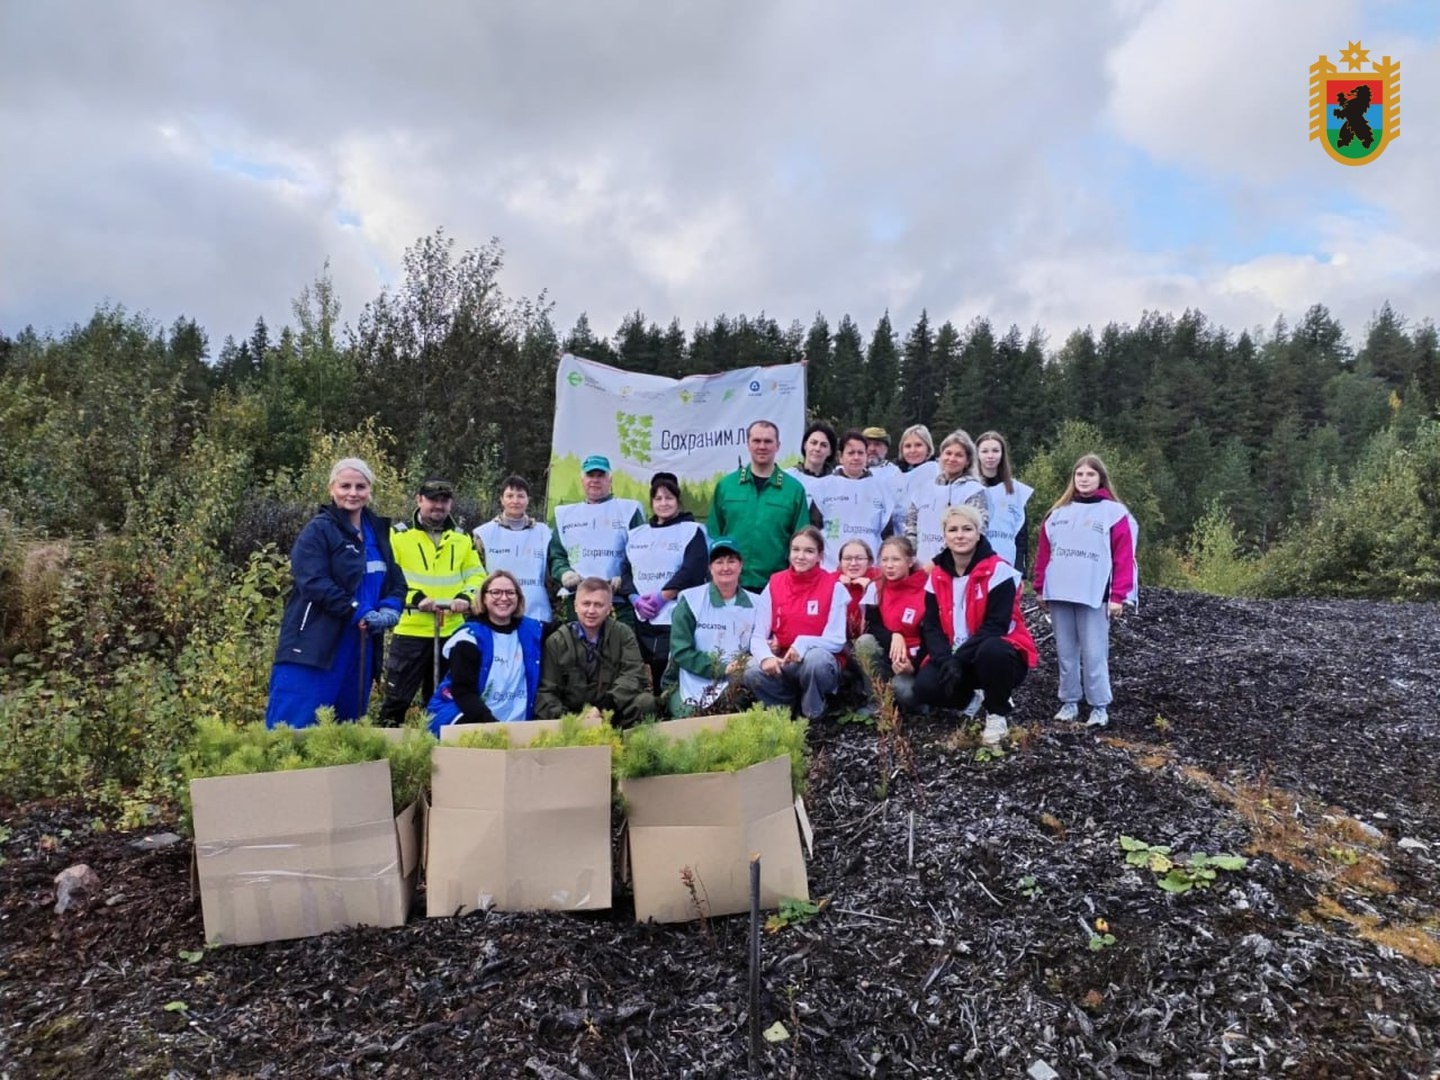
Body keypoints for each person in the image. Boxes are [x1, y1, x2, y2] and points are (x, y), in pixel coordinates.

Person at [265, 458, 406, 729]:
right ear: (332, 489)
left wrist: (391, 606)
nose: (353, 493)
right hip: (316, 644)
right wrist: (358, 610)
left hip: (361, 644)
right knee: (294, 728)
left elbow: (396, 579)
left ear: (370, 490)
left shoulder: (377, 532)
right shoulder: (318, 530)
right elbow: (314, 582)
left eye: (360, 486)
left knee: (346, 731)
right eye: (345, 486)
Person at [914, 505, 1037, 747]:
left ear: (979, 533)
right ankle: (972, 700)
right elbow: (932, 627)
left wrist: (959, 659)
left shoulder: (1000, 571)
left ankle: (997, 713)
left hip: (997, 655)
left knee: (993, 649)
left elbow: (996, 626)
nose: (960, 535)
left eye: (967, 529)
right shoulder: (936, 576)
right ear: (944, 536)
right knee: (924, 687)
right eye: (953, 530)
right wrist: (945, 660)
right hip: (956, 654)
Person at [1032, 454, 1137, 730]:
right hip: (1060, 593)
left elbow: (1123, 557)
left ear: (1101, 478)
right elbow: (1044, 554)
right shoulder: (1057, 514)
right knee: (1065, 652)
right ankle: (1069, 701)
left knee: (1094, 653)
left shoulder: (1114, 513)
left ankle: (1099, 705)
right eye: (1079, 474)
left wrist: (1118, 595)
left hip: (1094, 593)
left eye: (1090, 474)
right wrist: (1040, 587)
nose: (1084, 479)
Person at [378, 476, 485, 724]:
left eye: (444, 500)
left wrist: (465, 597)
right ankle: (388, 743)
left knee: (444, 700)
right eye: (432, 500)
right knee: (396, 700)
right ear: (419, 500)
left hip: (451, 630)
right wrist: (415, 597)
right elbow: (388, 576)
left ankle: (437, 743)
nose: (438, 505)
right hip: (411, 630)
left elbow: (477, 575)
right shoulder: (398, 536)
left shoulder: (462, 538)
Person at [743, 526, 849, 720]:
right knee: (751, 669)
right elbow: (758, 637)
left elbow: (837, 640)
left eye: (809, 551)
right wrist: (766, 658)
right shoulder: (775, 583)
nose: (800, 556)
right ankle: (785, 712)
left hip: (818, 663)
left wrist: (803, 643)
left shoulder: (834, 587)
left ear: (820, 556)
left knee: (816, 660)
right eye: (796, 550)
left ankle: (813, 713)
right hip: (783, 661)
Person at [619, 472, 710, 690]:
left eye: (669, 498)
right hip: (641, 615)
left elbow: (692, 570)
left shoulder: (693, 531)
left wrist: (662, 597)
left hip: (675, 613)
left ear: (678, 501)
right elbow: (625, 570)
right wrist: (634, 599)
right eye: (658, 498)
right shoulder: (636, 534)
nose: (663, 503)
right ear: (651, 502)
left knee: (669, 668)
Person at [425, 571, 545, 734]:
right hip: (468, 713)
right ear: (483, 598)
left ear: (519, 598)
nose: (504, 598)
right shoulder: (467, 639)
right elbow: (463, 692)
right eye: (496, 592)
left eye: (510, 593)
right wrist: (493, 728)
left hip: (517, 722)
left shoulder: (533, 630)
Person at [535, 577, 657, 725]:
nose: (591, 611)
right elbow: (547, 691)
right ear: (575, 606)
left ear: (609, 608)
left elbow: (633, 676)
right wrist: (570, 722)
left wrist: (602, 708)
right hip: (571, 717)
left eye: (598, 605)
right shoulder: (557, 641)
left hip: (611, 710)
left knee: (645, 702)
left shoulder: (623, 634)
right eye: (586, 604)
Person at [707, 419, 812, 592]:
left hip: (776, 585)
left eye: (768, 441)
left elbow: (802, 539)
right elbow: (713, 534)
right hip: (731, 583)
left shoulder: (793, 490)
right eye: (756, 441)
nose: (762, 446)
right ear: (747, 444)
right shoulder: (726, 486)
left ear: (778, 446)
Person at [661, 536, 761, 717]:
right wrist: (721, 668)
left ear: (741, 565)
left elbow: (761, 643)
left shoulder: (758, 603)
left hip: (735, 681)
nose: (725, 567)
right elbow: (681, 651)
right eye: (719, 562)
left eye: (731, 561)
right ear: (710, 567)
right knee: (689, 718)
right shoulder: (690, 600)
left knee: (731, 710)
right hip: (690, 679)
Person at [548, 455, 645, 624]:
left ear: (610, 479)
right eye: (590, 475)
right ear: (582, 480)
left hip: (619, 603)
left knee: (620, 641)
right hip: (578, 602)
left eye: (601, 475)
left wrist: (625, 578)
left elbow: (642, 554)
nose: (595, 480)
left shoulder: (629, 510)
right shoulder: (565, 515)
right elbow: (557, 555)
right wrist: (564, 572)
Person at [854, 535, 929, 712]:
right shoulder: (876, 587)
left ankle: (919, 706)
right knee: (864, 642)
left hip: (914, 662)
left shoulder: (926, 589)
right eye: (884, 559)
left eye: (896, 559)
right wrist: (895, 635)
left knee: (903, 690)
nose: (889, 565)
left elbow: (931, 636)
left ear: (910, 561)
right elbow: (873, 626)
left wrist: (912, 667)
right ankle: (876, 704)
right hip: (887, 656)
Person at [810, 429, 894, 572]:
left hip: (870, 568)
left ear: (866, 456)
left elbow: (887, 535)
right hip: (831, 567)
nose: (856, 457)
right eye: (851, 453)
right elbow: (814, 529)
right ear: (840, 457)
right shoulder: (823, 487)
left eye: (860, 453)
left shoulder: (882, 488)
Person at [473, 474, 554, 623]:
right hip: (498, 613)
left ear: (528, 500)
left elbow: (551, 573)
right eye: (510, 496)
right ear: (502, 499)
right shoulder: (483, 534)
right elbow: (476, 574)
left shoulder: (544, 532)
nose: (515, 501)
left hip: (537, 614)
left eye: (521, 496)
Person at [906, 429, 989, 567]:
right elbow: (910, 527)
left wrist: (939, 561)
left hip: (954, 566)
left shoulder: (973, 491)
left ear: (967, 461)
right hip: (920, 565)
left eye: (958, 455)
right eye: (948, 453)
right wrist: (910, 557)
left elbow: (977, 531)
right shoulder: (922, 489)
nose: (952, 459)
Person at [975, 431, 1034, 577]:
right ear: (977, 454)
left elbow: (1021, 536)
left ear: (1002, 454)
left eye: (995, 451)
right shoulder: (968, 488)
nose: (990, 456)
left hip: (1006, 562)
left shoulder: (1016, 490)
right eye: (985, 451)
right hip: (974, 563)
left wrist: (1020, 569)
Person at [889, 424, 938, 533]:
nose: (912, 450)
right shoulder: (894, 473)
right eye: (908, 446)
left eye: (918, 445)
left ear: (928, 448)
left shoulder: (936, 471)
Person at [835, 538, 880, 643]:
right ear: (840, 562)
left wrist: (870, 589)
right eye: (847, 559)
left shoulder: (880, 580)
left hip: (873, 643)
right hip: (840, 643)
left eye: (859, 558)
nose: (853, 563)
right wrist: (837, 587)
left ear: (870, 562)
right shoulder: (831, 582)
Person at [787, 421, 838, 500]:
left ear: (830, 451)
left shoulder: (837, 483)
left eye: (823, 445)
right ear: (805, 445)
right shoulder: (788, 477)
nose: (817, 449)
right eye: (813, 443)